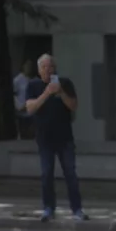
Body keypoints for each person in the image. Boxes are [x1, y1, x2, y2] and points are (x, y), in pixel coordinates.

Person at [25, 54, 88, 222]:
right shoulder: (33, 85)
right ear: (39, 70)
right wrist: (47, 93)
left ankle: (77, 209)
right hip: (45, 138)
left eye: (51, 66)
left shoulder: (65, 83)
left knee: (70, 173)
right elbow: (30, 108)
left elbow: (73, 106)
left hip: (64, 137)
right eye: (44, 67)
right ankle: (48, 208)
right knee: (46, 173)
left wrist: (60, 92)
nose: (48, 70)